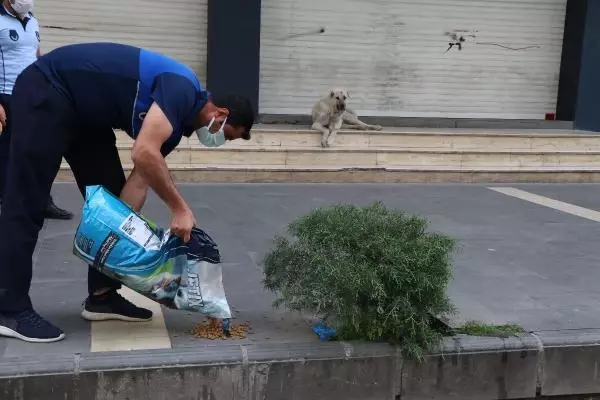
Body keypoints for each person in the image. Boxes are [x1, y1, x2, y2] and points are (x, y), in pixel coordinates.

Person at [0, 42, 254, 343]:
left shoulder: (174, 128)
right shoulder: (182, 88)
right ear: (220, 114)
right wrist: (180, 209)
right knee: (27, 201)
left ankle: (102, 296)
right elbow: (143, 153)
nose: (217, 141)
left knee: (110, 201)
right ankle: (9, 309)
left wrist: (134, 242)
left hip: (84, 116)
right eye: (225, 134)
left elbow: (137, 184)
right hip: (49, 88)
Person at [0, 0, 73, 220]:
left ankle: (42, 201)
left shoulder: (33, 20)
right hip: (6, 94)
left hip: (33, 95)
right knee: (8, 153)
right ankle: (9, 201)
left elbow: (37, 56)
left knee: (41, 150)